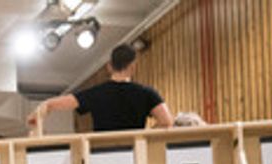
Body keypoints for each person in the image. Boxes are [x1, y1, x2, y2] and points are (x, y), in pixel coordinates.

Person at [28, 43, 174, 134]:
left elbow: (52, 104)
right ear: (133, 66)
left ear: (109, 66)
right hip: (134, 152)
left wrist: (38, 112)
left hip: (102, 153)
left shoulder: (96, 93)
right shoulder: (147, 93)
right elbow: (166, 122)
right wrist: (143, 136)